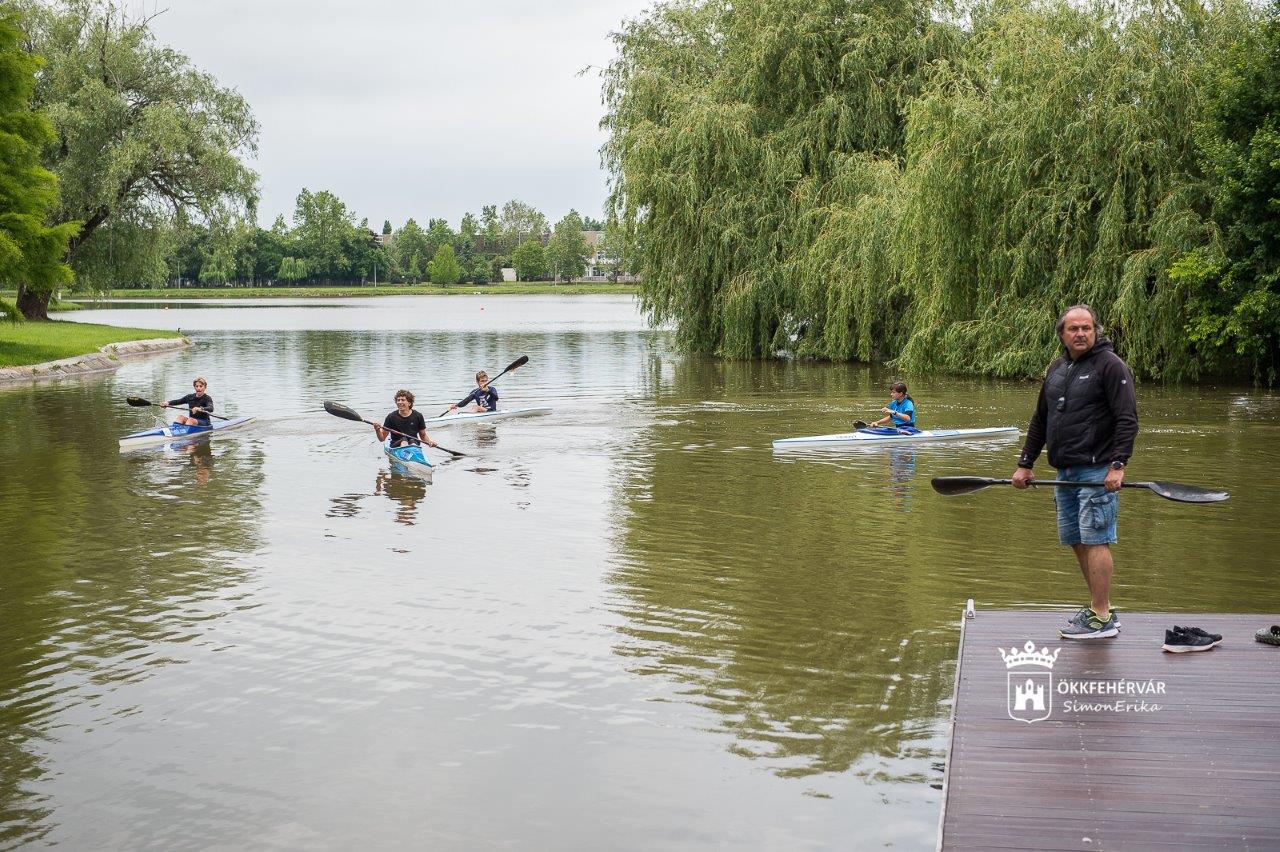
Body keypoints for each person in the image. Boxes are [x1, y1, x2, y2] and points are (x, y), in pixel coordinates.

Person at [1012, 304, 1138, 640]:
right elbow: (1041, 419)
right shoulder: (1057, 368)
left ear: (1095, 331)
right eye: (1073, 329)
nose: (1080, 333)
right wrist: (1025, 463)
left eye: (1086, 328)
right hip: (1065, 472)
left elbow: (1127, 419)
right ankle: (1101, 607)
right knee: (1077, 540)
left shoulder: (1110, 365)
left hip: (1097, 471)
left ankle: (1101, 616)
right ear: (1062, 334)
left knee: (1096, 539)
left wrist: (1118, 465)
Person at [374, 389, 438, 450]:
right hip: (396, 445)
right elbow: (382, 439)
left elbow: (423, 435)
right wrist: (377, 430)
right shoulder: (391, 417)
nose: (399, 402)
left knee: (412, 441)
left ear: (409, 403)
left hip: (414, 443)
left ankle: (413, 452)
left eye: (403, 400)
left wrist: (430, 442)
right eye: (398, 400)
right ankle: (406, 452)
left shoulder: (418, 416)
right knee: (404, 441)